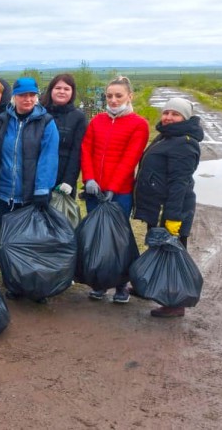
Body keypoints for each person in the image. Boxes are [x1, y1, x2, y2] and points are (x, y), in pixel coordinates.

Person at [81, 75, 149, 303]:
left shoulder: (138, 124)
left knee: (119, 240)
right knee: (97, 239)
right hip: (94, 191)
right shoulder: (97, 121)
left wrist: (112, 187)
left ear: (130, 96)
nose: (113, 100)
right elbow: (86, 149)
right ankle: (99, 283)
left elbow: (130, 159)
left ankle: (121, 285)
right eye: (109, 96)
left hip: (119, 192)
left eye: (118, 95)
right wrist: (89, 179)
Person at [134, 97, 203, 318]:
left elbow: (179, 184)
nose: (168, 117)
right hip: (159, 206)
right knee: (157, 247)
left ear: (185, 117)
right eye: (166, 113)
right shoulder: (167, 136)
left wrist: (172, 218)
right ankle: (149, 285)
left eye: (175, 114)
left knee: (174, 254)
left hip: (171, 209)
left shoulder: (184, 142)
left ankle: (176, 302)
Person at [0, 77, 60, 219]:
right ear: (14, 97)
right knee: (3, 237)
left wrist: (42, 189)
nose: (28, 99)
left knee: (25, 239)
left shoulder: (46, 123)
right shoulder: (1, 121)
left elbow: (48, 158)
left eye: (32, 95)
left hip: (30, 196)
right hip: (2, 194)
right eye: (22, 95)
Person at [39, 74, 87, 197]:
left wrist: (69, 181)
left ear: (72, 92)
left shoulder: (78, 117)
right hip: (38, 174)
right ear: (51, 90)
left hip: (63, 175)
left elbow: (77, 151)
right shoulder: (39, 113)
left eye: (66, 89)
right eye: (58, 88)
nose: (62, 92)